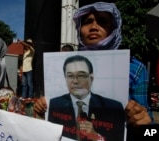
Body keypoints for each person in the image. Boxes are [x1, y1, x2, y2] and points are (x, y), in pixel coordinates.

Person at [34, 2, 152, 140]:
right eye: (88, 22)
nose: (94, 27)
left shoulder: (134, 68)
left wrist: (144, 126)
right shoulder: (59, 88)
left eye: (102, 21)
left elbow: (150, 131)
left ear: (113, 27)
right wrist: (42, 111)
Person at [48, 54, 125, 141]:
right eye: (70, 76)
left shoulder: (113, 108)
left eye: (81, 75)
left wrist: (96, 137)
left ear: (91, 78)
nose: (75, 81)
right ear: (65, 78)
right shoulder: (54, 104)